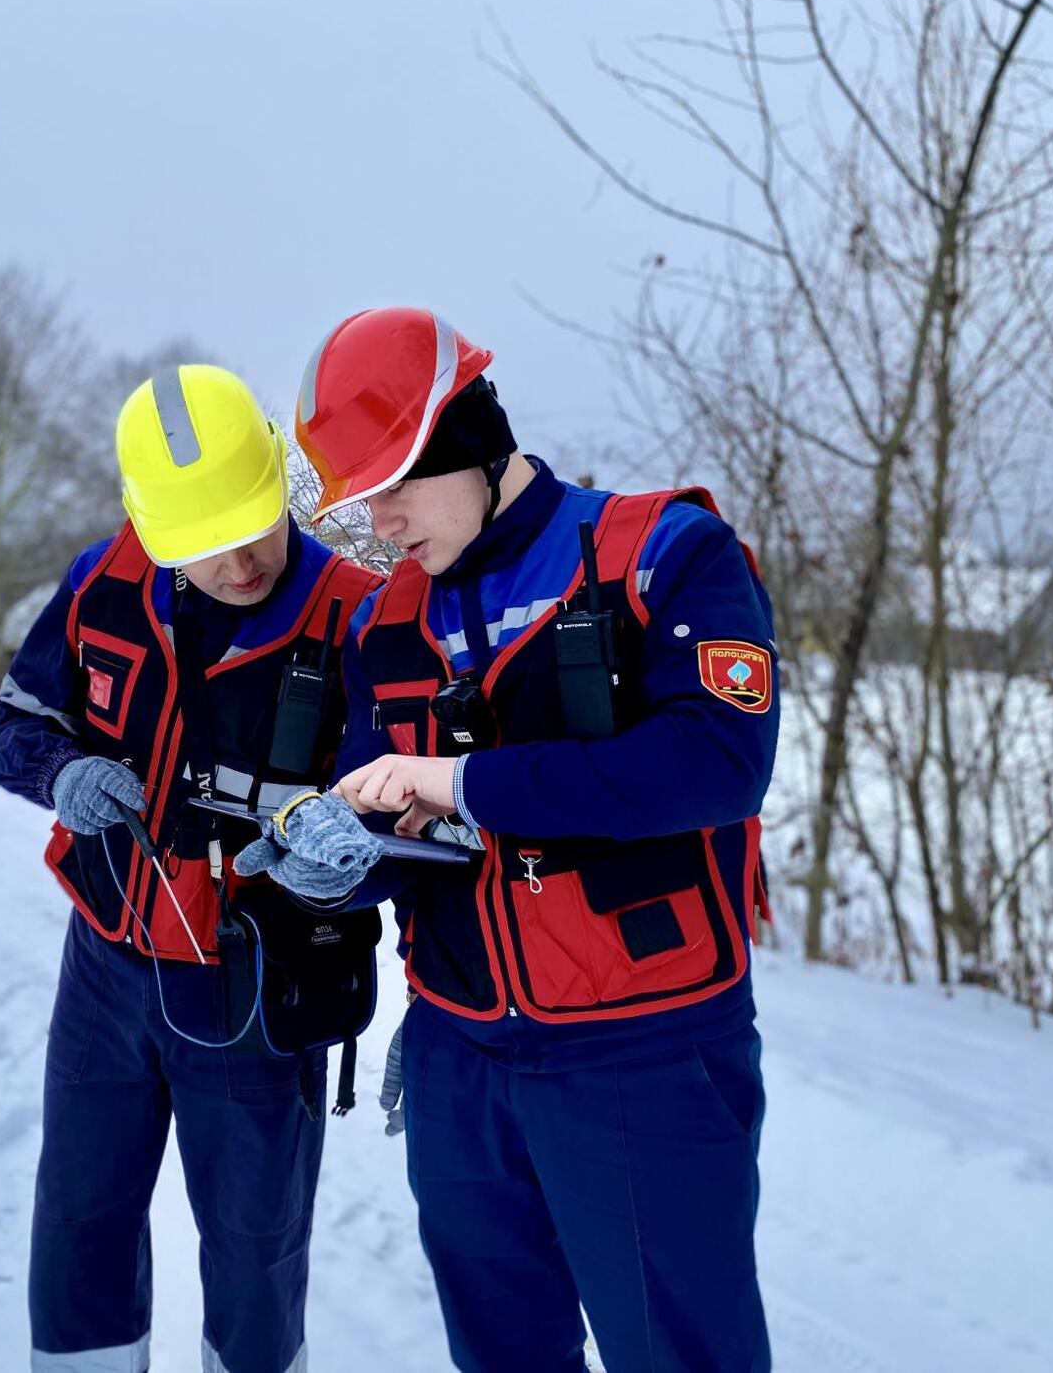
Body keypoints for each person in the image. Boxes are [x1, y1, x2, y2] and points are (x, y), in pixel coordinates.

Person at [244, 308, 779, 1373]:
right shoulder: (382, 625)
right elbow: (374, 818)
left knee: (679, 1354)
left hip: (642, 1048)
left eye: (393, 486)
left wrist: (460, 781)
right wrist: (328, 869)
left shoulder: (662, 554)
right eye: (360, 501)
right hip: (457, 1053)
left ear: (468, 436)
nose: (380, 523)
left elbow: (717, 767)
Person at [0, 363, 380, 1373]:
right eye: (201, 545)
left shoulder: (356, 619)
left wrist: (345, 864)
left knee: (254, 1250)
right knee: (79, 1214)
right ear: (153, 529)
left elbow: (401, 820)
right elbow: (14, 727)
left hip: (256, 985)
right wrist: (60, 771)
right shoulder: (100, 584)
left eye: (250, 523)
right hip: (106, 967)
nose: (238, 560)